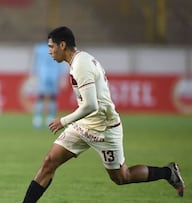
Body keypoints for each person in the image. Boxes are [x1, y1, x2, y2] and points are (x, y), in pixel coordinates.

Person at [22, 26, 185, 202]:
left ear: (62, 45)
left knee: (122, 177)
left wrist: (63, 120)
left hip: (104, 128)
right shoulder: (79, 60)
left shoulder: (81, 65)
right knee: (49, 162)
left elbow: (91, 105)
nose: (49, 51)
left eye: (51, 46)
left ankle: (168, 173)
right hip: (84, 124)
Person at [30, 42, 66, 129]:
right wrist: (63, 77)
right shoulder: (58, 48)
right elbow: (62, 62)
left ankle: (37, 121)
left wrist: (33, 74)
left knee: (41, 98)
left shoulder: (39, 48)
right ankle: (49, 121)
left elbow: (35, 62)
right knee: (52, 98)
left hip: (43, 75)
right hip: (53, 75)